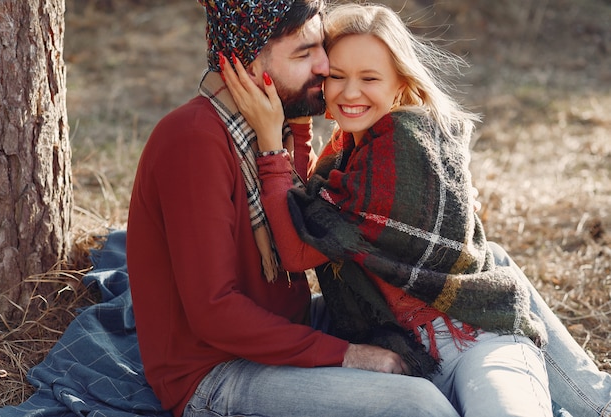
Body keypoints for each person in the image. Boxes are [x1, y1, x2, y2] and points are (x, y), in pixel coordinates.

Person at [220, 3, 611, 416]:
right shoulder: (348, 156)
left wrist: (270, 144)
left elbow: (298, 249)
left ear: (400, 83)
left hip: (472, 334)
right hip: (410, 355)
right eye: (336, 77)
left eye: (370, 78)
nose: (350, 92)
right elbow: (307, 198)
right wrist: (297, 122)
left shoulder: (403, 147)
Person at [126, 1, 461, 417]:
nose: (324, 65)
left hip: (290, 328)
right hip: (215, 373)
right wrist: (351, 355)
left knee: (440, 326)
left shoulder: (267, 124)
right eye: (303, 54)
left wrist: (296, 132)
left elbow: (294, 211)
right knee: (418, 405)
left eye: (320, 47)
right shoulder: (192, 139)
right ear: (245, 64)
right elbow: (215, 314)